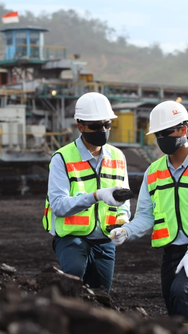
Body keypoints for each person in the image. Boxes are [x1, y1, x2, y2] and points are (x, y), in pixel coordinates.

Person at [110, 100, 188, 332]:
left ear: (183, 130)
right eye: (158, 134)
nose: (161, 139)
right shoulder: (153, 172)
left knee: (182, 291)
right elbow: (145, 216)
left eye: (166, 132)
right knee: (172, 305)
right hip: (171, 253)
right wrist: (126, 231)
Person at [42, 92, 131, 293]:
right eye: (95, 126)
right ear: (80, 126)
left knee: (101, 297)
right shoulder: (62, 158)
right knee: (73, 283)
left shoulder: (118, 157)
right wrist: (95, 196)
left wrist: (123, 220)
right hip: (71, 238)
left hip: (105, 240)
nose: (102, 130)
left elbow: (123, 200)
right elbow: (58, 205)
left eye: (106, 125)